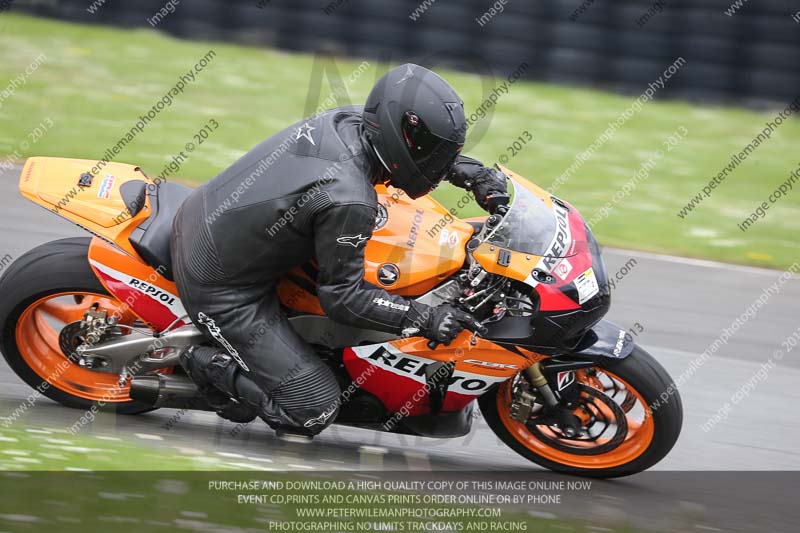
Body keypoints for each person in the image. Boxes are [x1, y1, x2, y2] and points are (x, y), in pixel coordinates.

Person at [170, 63, 508, 436]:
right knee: (312, 410)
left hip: (213, 216)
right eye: (435, 153)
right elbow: (344, 299)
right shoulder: (349, 199)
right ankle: (203, 363)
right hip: (222, 286)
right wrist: (426, 319)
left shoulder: (347, 121)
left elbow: (412, 152)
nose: (437, 163)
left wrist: (472, 174)